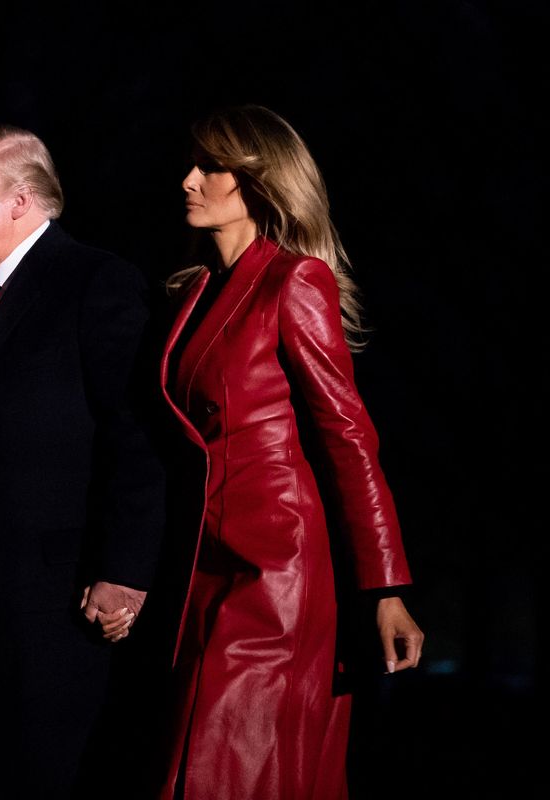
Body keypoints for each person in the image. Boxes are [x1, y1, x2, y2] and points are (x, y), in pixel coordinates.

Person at [153, 105, 425, 799]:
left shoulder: (295, 282)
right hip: (200, 573)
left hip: (275, 576)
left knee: (229, 772)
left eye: (211, 167)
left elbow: (348, 437)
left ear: (258, 183)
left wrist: (385, 588)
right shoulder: (193, 295)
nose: (188, 179)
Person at [0, 123, 167, 798]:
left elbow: (135, 435)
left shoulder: (95, 283)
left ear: (21, 200)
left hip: (57, 614)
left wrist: (124, 570)